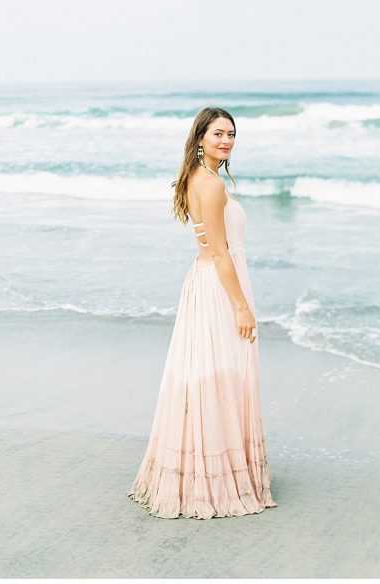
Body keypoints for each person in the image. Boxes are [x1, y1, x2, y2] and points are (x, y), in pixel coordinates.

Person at [128, 107, 277, 519]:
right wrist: (242, 305)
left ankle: (202, 468)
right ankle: (213, 478)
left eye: (231, 134)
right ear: (200, 140)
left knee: (209, 373)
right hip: (218, 285)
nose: (226, 140)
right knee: (223, 373)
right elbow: (219, 251)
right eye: (217, 134)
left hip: (207, 280)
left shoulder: (198, 179)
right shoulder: (210, 185)